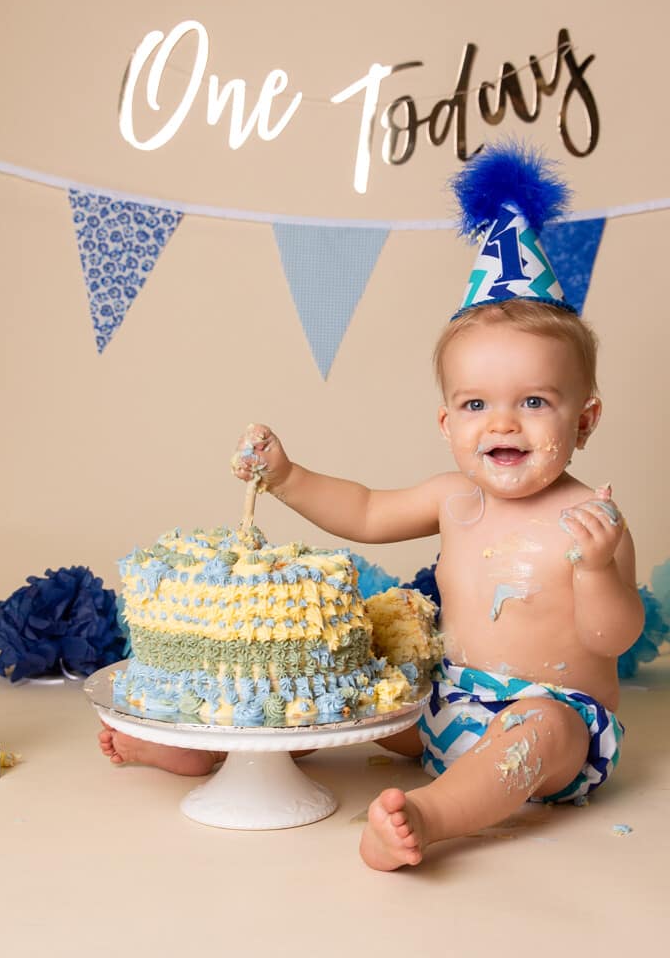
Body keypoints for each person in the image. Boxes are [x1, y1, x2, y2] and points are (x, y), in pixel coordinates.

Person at [229, 298, 643, 869]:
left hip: (555, 726)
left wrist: (595, 569)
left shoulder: (593, 522)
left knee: (544, 727)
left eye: (534, 401)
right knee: (347, 692)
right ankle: (235, 753)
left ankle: (429, 816)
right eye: (476, 404)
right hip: (443, 707)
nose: (502, 423)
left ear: (584, 420)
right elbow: (367, 512)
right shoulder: (453, 497)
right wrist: (288, 478)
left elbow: (611, 637)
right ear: (448, 424)